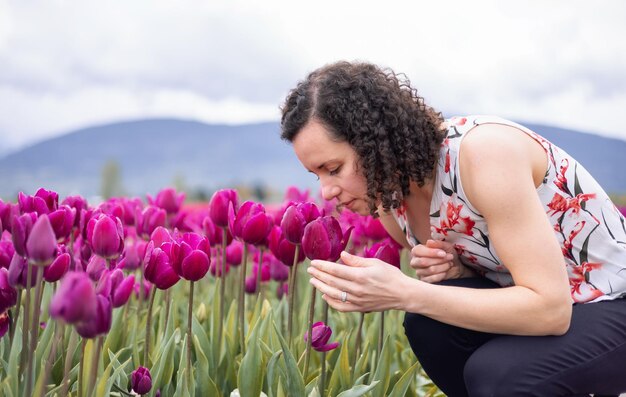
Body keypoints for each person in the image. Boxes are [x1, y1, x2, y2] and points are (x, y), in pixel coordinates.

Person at [280, 61, 626, 396]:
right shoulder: (389, 203)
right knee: (428, 327)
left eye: (334, 168)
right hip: (558, 310)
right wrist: (460, 268)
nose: (326, 191)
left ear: (373, 141)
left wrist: (405, 291)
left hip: (611, 300)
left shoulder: (483, 155)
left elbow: (550, 311)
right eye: (317, 175)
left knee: (499, 374)